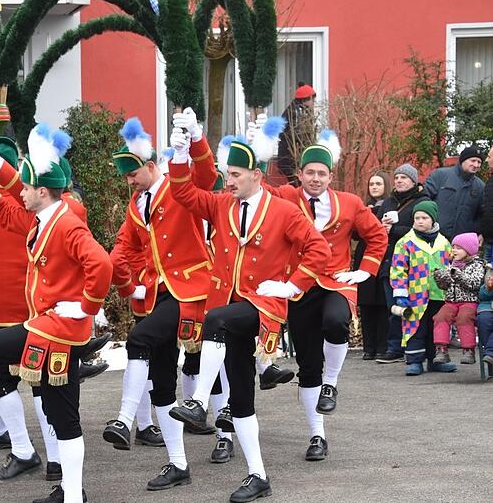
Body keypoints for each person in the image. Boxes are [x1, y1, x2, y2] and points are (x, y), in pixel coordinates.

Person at [0, 125, 113, 503]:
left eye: (29, 189)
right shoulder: (41, 217)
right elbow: (2, 209)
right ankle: (71, 491)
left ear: (43, 191)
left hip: (57, 330)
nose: (21, 193)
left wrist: (86, 307)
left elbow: (101, 263)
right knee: (61, 413)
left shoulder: (65, 221)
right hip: (51, 328)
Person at [165, 129, 330, 503]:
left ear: (257, 175)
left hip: (262, 306)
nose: (229, 180)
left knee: (215, 320)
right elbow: (183, 194)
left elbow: (318, 250)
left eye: (236, 174)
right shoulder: (222, 204)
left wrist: (292, 286)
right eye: (227, 174)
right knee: (241, 395)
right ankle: (258, 475)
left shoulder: (285, 211)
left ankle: (198, 401)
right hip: (229, 306)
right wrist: (180, 153)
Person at [103, 112, 216, 491]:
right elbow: (125, 247)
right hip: (156, 295)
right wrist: (128, 284)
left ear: (152, 166)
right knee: (163, 382)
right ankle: (178, 463)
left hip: (190, 290)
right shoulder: (137, 207)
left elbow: (206, 176)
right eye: (126, 176)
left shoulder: (178, 187)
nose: (129, 181)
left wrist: (196, 140)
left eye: (133, 174)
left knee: (139, 341)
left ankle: (124, 419)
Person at [259, 129, 388, 462]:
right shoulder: (287, 196)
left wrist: (366, 270)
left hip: (336, 281)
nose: (316, 178)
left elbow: (376, 237)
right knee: (307, 365)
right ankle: (317, 435)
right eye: (310, 172)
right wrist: (259, 152)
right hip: (299, 286)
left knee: (335, 322)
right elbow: (257, 190)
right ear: (300, 174)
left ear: (332, 176)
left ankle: (332, 382)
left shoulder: (350, 203)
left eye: (322, 173)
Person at [388, 201, 458, 376]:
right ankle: (414, 361)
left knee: (437, 327)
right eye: (417, 218)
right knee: (416, 326)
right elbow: (398, 269)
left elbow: (452, 265)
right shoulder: (405, 242)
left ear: (433, 219)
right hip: (415, 294)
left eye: (424, 218)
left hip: (439, 294)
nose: (420, 221)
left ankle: (435, 360)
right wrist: (400, 292)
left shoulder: (444, 242)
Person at [377, 164, 431, 363]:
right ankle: (394, 347)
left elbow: (424, 229)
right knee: (393, 307)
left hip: (415, 264)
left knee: (415, 307)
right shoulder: (388, 202)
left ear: (414, 181)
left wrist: (394, 231)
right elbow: (375, 228)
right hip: (390, 261)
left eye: (404, 178)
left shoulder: (423, 202)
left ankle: (414, 346)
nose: (399, 180)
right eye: (397, 177)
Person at [431, 232, 484, 365]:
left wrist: (458, 275)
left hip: (469, 301)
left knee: (464, 318)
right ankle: (441, 349)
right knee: (440, 317)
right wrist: (440, 277)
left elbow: (474, 283)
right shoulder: (452, 264)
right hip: (451, 302)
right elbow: (444, 286)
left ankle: (468, 350)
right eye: (453, 247)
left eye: (459, 248)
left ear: (469, 250)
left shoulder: (477, 265)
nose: (454, 250)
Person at [356, 172, 391, 359]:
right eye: (371, 184)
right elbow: (354, 233)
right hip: (364, 255)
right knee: (367, 303)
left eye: (378, 183)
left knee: (382, 303)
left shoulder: (391, 206)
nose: (375, 187)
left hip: (384, 255)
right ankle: (368, 347)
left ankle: (382, 346)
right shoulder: (362, 207)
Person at [423, 146, 484, 239]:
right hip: (434, 237)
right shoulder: (440, 175)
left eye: (479, 162)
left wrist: (477, 232)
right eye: (473, 160)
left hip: (461, 243)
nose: (476, 165)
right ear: (463, 160)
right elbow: (423, 199)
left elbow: (482, 215)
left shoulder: (480, 186)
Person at [277, 83, 317, 184]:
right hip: (291, 159)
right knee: (297, 186)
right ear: (305, 100)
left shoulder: (297, 110)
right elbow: (298, 137)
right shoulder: (297, 113)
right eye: (312, 100)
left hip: (290, 159)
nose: (313, 103)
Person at [476, 271, 493, 370]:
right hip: (487, 307)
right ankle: (491, 362)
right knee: (483, 320)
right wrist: (489, 287)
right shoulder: (489, 271)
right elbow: (482, 295)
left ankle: (490, 353)